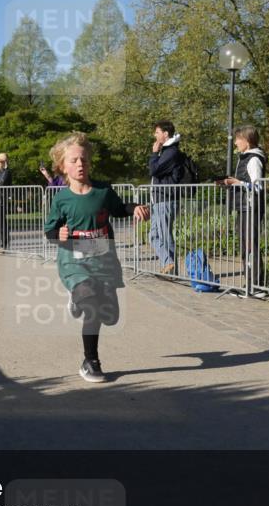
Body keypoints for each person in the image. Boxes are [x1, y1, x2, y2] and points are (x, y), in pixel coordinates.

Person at [43, 132, 150, 384]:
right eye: (73, 160)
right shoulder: (62, 199)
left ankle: (79, 300)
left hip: (103, 259)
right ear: (62, 166)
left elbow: (119, 208)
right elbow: (49, 231)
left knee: (109, 316)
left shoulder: (103, 191)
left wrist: (134, 207)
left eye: (84, 159)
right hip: (73, 261)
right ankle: (90, 361)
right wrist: (58, 234)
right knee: (91, 306)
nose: (80, 164)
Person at [216, 125, 268, 295]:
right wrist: (229, 183)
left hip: (251, 207)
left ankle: (257, 286)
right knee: (245, 245)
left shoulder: (253, 159)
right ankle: (249, 285)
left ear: (247, 141)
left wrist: (237, 183)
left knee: (250, 245)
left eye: (238, 139)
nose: (236, 142)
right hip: (243, 206)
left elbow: (258, 186)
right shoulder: (244, 158)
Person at [147, 120, 186, 275]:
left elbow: (154, 170)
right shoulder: (167, 151)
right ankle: (168, 263)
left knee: (164, 234)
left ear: (165, 133)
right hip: (159, 199)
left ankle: (171, 268)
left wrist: (154, 153)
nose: (154, 135)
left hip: (166, 199)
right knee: (154, 235)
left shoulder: (171, 152)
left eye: (157, 132)